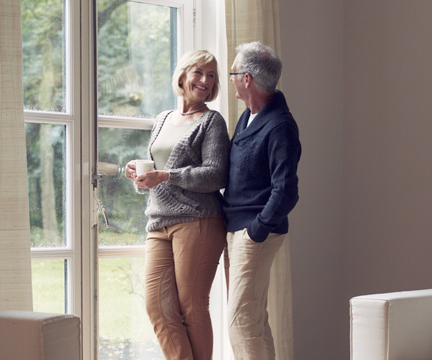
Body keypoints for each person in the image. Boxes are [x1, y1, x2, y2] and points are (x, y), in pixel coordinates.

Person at [124, 49, 230, 360]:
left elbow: (215, 175)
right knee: (156, 305)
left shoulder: (212, 121)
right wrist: (140, 175)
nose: (205, 80)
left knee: (191, 305)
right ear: (182, 75)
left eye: (212, 76)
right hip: (159, 222)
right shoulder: (163, 119)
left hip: (199, 220)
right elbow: (158, 169)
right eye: (199, 72)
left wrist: (166, 175)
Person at [222, 42, 301, 359]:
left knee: (240, 321)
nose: (230, 78)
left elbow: (287, 190)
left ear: (247, 78)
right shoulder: (248, 116)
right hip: (238, 229)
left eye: (232, 72)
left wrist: (257, 230)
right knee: (253, 319)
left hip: (254, 233)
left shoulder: (280, 126)